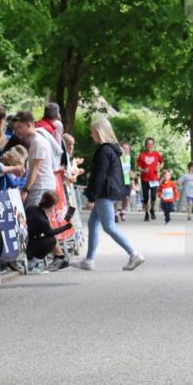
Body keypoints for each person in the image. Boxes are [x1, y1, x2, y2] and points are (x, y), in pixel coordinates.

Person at [76, 116, 144, 271]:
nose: (91, 135)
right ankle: (89, 259)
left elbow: (99, 176)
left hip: (104, 193)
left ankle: (134, 254)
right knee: (93, 223)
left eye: (92, 132)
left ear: (99, 132)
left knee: (109, 226)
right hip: (110, 191)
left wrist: (91, 197)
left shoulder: (104, 151)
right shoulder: (113, 150)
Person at [25, 190, 73, 272]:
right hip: (28, 249)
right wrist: (68, 226)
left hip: (24, 243)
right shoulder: (42, 220)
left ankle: (32, 261)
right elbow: (50, 233)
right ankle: (32, 263)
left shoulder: (31, 208)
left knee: (47, 238)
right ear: (53, 206)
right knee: (51, 240)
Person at [16, 111, 57, 206]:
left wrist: (26, 190)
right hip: (41, 187)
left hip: (41, 188)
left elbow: (35, 169)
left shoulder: (37, 142)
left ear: (28, 125)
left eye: (20, 127)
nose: (18, 131)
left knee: (33, 218)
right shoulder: (35, 140)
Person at [136, 137, 163, 221]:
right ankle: (146, 213)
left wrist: (160, 168)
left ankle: (152, 209)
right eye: (148, 144)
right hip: (144, 179)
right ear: (146, 145)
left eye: (151, 144)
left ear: (153, 145)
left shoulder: (156, 154)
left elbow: (162, 162)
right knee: (146, 198)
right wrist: (143, 170)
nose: (149, 145)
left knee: (154, 197)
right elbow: (138, 167)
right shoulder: (142, 155)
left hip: (154, 179)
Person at [117, 141, 133, 221]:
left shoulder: (129, 157)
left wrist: (131, 173)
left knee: (126, 197)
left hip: (127, 180)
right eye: (124, 148)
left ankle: (123, 211)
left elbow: (129, 168)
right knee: (116, 198)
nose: (125, 150)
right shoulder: (118, 157)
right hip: (119, 180)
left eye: (127, 149)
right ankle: (115, 213)